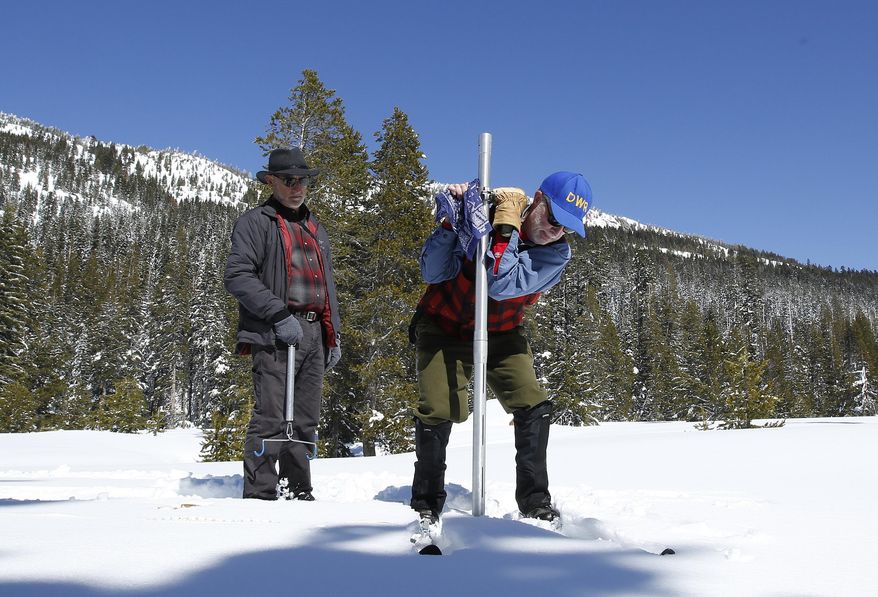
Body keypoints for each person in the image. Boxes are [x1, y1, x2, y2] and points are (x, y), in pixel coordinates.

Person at [408, 171, 591, 524]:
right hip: (445, 324)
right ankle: (427, 499)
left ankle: (535, 500)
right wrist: (453, 218)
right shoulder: (482, 215)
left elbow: (501, 285)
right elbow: (432, 272)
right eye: (553, 218)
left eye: (565, 227)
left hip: (502, 332)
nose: (555, 231)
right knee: (440, 407)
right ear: (537, 199)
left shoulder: (556, 254)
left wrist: (505, 228)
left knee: (533, 403)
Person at [224, 147, 342, 501]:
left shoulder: (314, 227)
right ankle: (261, 493)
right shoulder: (256, 222)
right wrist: (277, 314)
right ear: (272, 181)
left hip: (313, 334)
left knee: (306, 417)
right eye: (289, 180)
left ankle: (298, 490)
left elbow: (326, 284)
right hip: (275, 331)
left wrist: (332, 334)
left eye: (302, 180)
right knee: (272, 415)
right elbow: (237, 275)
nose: (297, 187)